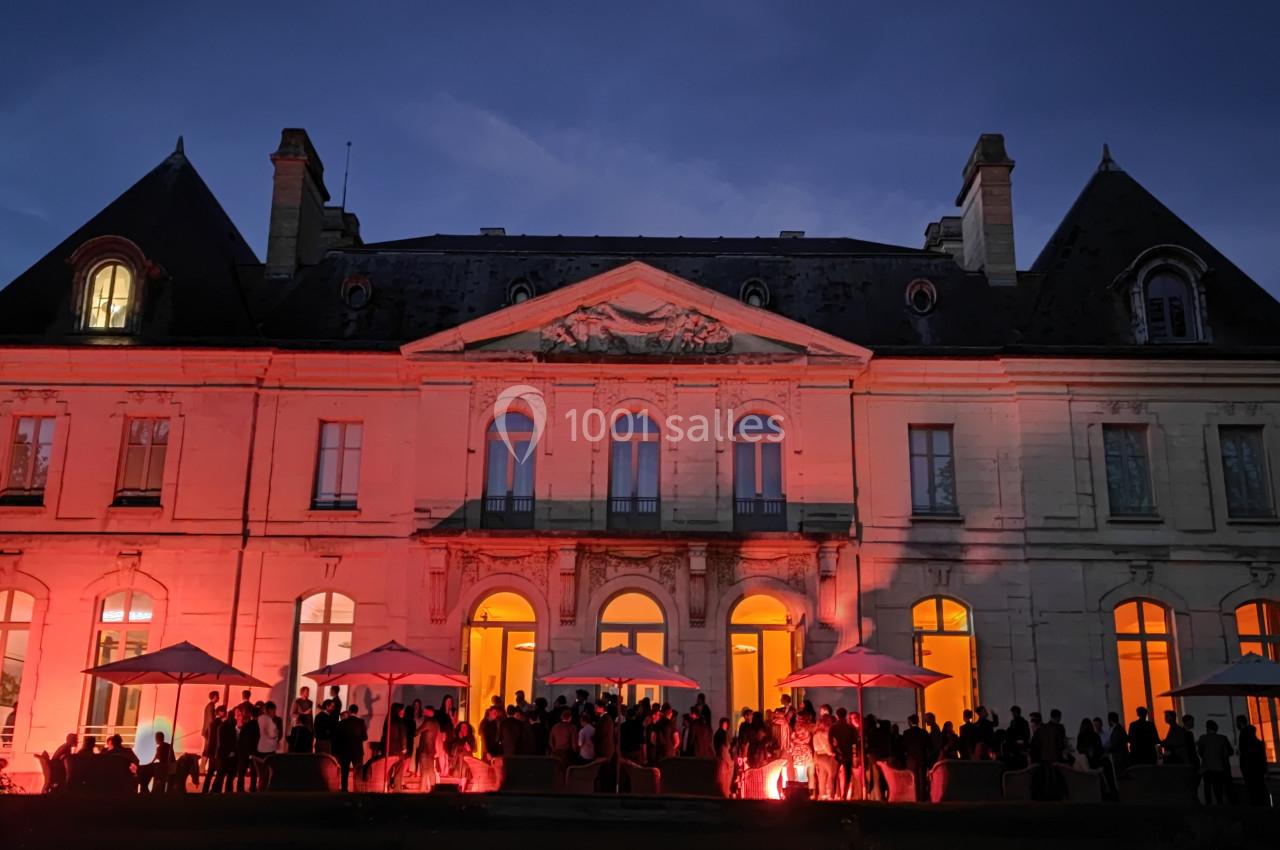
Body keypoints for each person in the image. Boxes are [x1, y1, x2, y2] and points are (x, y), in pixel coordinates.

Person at [1197, 719, 1233, 805]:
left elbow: (1200, 752)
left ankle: (1209, 805)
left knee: (1207, 787)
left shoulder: (1202, 738)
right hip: (1218, 767)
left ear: (1207, 728)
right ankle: (1220, 804)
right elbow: (1229, 751)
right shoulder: (1222, 738)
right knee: (1218, 788)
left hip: (1206, 768)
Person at [1236, 715, 1268, 806]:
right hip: (1258, 767)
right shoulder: (1258, 742)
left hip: (1249, 767)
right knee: (1260, 786)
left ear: (1240, 723)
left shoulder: (1243, 735)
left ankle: (1256, 804)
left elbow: (1243, 750)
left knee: (1251, 787)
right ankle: (1264, 804)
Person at [336, 704, 368, 791]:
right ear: (357, 711)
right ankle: (357, 789)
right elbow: (365, 737)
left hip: (345, 750)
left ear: (349, 711)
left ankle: (344, 789)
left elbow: (339, 737)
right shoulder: (361, 722)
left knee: (345, 771)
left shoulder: (343, 722)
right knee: (357, 771)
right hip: (357, 751)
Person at [209, 706, 240, 793]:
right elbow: (225, 741)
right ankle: (220, 791)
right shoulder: (227, 726)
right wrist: (231, 751)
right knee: (224, 775)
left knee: (223, 775)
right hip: (226, 754)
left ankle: (217, 791)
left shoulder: (226, 726)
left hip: (225, 754)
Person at [901, 714, 931, 801]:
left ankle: (914, 798)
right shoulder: (923, 732)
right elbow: (929, 745)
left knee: (913, 779)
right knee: (922, 780)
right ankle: (922, 798)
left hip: (911, 759)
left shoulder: (906, 733)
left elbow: (903, 746)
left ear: (910, 722)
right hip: (922, 758)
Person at [201, 706, 227, 792]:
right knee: (220, 772)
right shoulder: (220, 723)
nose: (225, 713)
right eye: (224, 711)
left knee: (210, 772)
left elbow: (208, 735)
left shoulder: (212, 723)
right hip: (216, 751)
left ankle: (205, 790)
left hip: (211, 751)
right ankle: (215, 789)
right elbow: (218, 738)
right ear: (220, 712)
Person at [235, 704, 260, 792]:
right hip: (254, 751)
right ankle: (252, 787)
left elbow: (241, 739)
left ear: (250, 715)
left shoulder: (246, 725)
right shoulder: (258, 726)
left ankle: (239, 788)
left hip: (244, 751)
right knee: (253, 771)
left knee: (242, 771)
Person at [289, 687, 314, 752]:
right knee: (299, 747)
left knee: (307, 747)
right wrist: (304, 713)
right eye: (306, 692)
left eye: (308, 692)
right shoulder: (297, 701)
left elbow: (310, 715)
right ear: (302, 692)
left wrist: (311, 727)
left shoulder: (310, 702)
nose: (307, 693)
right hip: (300, 726)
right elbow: (292, 713)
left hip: (308, 727)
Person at [201, 690, 220, 771]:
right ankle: (201, 768)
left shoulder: (210, 706)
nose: (219, 698)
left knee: (207, 749)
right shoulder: (211, 706)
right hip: (209, 731)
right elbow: (211, 720)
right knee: (207, 749)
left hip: (207, 731)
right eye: (217, 696)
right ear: (214, 697)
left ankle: (202, 768)